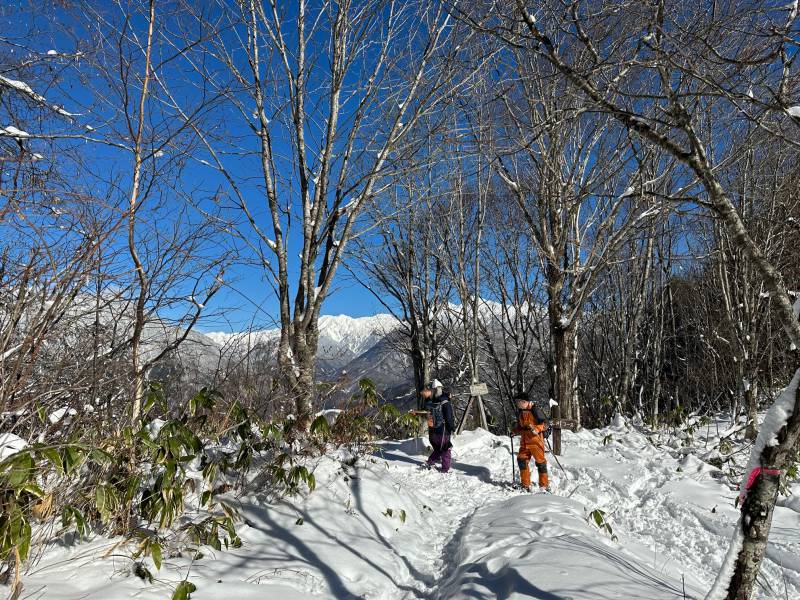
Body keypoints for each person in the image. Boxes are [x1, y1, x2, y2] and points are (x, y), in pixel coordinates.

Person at [512, 391, 551, 492]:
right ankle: (525, 485)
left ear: (524, 401)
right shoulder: (521, 411)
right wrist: (514, 431)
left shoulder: (535, 409)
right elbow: (521, 427)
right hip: (524, 442)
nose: (517, 404)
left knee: (540, 463)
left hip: (536, 442)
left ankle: (544, 486)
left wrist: (537, 429)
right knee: (521, 461)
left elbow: (546, 423)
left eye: (518, 402)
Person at [422, 379, 454, 472]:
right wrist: (452, 428)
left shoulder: (430, 402)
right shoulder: (445, 402)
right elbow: (449, 417)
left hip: (433, 430)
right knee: (446, 449)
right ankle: (445, 469)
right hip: (443, 429)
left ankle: (430, 462)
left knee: (438, 449)